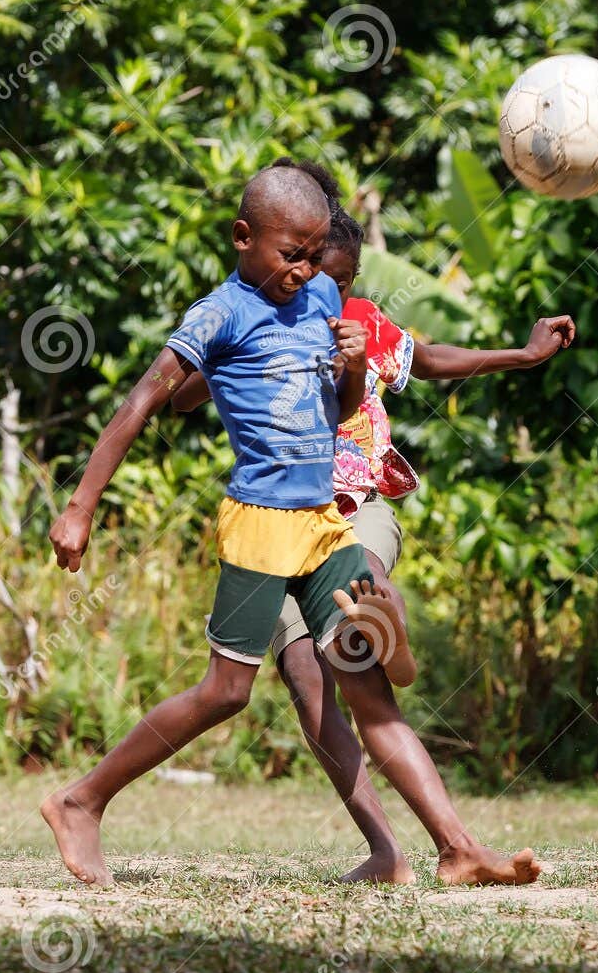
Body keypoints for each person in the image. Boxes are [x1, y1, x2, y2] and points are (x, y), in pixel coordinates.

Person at [40, 159, 541, 888]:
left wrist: (352, 367)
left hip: (323, 522)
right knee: (227, 693)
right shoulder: (220, 314)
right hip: (262, 521)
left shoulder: (321, 301)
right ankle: (81, 800)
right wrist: (81, 504)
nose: (305, 270)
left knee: (368, 685)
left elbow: (338, 415)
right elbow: (145, 401)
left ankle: (458, 848)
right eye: (291, 254)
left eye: (315, 255)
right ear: (245, 238)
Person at [173, 172, 574, 884]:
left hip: (357, 507)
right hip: (276, 529)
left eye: (341, 277)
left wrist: (523, 355)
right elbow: (182, 390)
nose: (330, 291)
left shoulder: (360, 319)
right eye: (319, 270)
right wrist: (211, 367)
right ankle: (388, 852)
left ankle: (376, 616)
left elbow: (433, 359)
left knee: (360, 608)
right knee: (307, 680)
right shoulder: (253, 318)